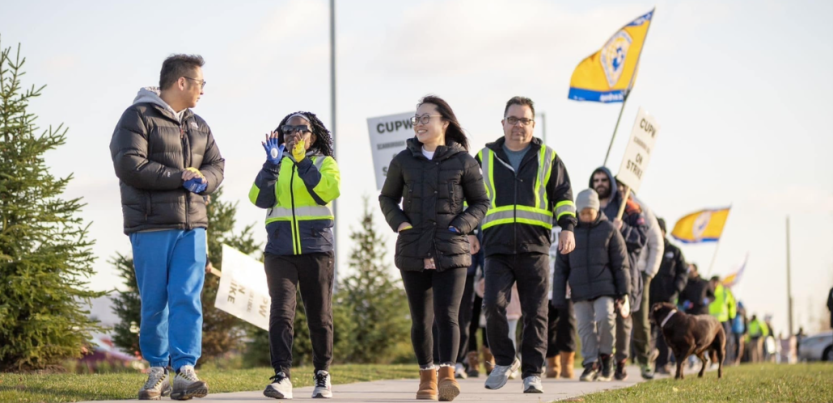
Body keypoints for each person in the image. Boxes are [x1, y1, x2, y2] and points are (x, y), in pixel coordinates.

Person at [110, 54, 223, 401]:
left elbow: (217, 164)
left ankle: (185, 370)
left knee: (187, 298)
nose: (204, 89)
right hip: (151, 226)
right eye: (201, 83)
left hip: (193, 228)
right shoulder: (136, 117)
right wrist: (180, 177)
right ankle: (157, 370)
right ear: (182, 82)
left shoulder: (200, 125)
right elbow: (129, 165)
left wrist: (206, 179)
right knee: (155, 301)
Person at [380, 95, 489, 401]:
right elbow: (386, 198)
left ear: (445, 122)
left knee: (448, 316)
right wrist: (400, 224)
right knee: (421, 319)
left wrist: (460, 226)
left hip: (451, 249)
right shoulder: (403, 160)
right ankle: (426, 377)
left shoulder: (464, 161)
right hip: (413, 248)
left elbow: (481, 202)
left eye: (426, 117)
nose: (419, 124)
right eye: (416, 119)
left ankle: (447, 375)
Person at [477, 96, 577, 394]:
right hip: (496, 247)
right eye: (513, 119)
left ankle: (532, 372)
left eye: (524, 120)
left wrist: (568, 227)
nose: (518, 125)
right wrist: (469, 231)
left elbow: (563, 195)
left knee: (537, 312)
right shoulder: (484, 157)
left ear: (533, 125)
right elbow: (469, 198)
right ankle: (505, 360)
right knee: (493, 305)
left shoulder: (548, 156)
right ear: (503, 123)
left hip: (535, 247)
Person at [250, 111, 340, 399]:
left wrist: (302, 161)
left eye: (301, 130)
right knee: (280, 313)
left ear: (312, 135)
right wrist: (270, 166)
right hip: (279, 251)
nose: (294, 135)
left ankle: (322, 375)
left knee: (319, 315)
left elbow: (327, 191)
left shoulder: (325, 163)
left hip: (316, 249)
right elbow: (258, 199)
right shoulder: (277, 162)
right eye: (288, 130)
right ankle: (281, 376)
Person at [554, 189, 630, 383]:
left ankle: (606, 359)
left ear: (597, 210)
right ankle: (590, 364)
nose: (586, 216)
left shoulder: (609, 230)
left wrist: (624, 293)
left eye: (590, 212)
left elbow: (621, 264)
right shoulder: (569, 233)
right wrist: (558, 296)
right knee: (584, 327)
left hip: (605, 288)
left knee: (605, 318)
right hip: (579, 289)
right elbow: (561, 267)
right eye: (583, 212)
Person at [589, 168, 648, 381]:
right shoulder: (590, 207)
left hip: (624, 272)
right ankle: (603, 361)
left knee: (623, 321)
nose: (600, 183)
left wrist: (623, 230)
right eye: (596, 180)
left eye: (604, 179)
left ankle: (621, 363)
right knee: (600, 319)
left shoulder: (629, 206)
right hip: (599, 273)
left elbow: (642, 238)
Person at [649, 218, 688, 374]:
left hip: (668, 300)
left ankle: (663, 364)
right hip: (650, 298)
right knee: (648, 331)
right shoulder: (648, 248)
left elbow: (683, 272)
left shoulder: (674, 251)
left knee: (666, 333)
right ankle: (649, 361)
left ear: (663, 232)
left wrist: (676, 288)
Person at [631, 196, 663, 380]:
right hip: (613, 270)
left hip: (640, 272)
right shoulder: (606, 205)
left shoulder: (642, 208)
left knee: (641, 319)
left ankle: (645, 360)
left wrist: (649, 272)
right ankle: (611, 363)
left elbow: (656, 242)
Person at [546, 228, 577, 379]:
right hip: (545, 283)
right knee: (547, 325)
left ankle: (567, 363)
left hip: (566, 284)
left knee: (567, 323)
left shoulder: (570, 225)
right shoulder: (540, 220)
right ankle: (552, 363)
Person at [709, 276, 737, 365]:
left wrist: (732, 317)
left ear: (717, 282)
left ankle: (726, 360)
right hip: (712, 321)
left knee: (725, 341)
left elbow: (732, 305)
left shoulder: (725, 292)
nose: (713, 284)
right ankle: (713, 360)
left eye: (714, 282)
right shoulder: (709, 291)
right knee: (711, 342)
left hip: (723, 320)